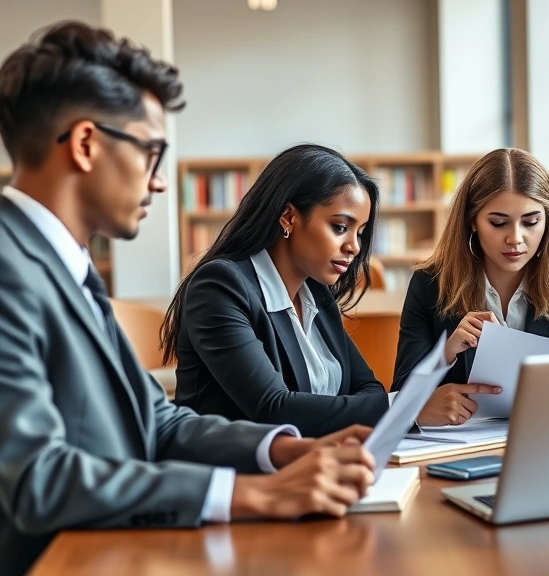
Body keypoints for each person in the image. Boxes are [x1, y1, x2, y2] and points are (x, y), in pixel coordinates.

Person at [0, 22, 376, 575]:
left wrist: (278, 450)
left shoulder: (64, 264)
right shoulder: (10, 268)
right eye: (151, 153)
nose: (157, 182)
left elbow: (158, 421)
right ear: (85, 144)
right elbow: (38, 478)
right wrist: (251, 495)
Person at [162, 144, 389, 437]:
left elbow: (368, 387)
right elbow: (274, 409)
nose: (355, 247)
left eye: (360, 232)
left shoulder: (316, 292)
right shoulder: (219, 287)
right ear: (289, 217)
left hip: (316, 461)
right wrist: (400, 407)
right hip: (233, 474)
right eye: (340, 227)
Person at [391, 148, 549, 425]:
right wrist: (446, 353)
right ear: (472, 221)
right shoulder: (430, 284)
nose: (516, 238)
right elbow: (399, 393)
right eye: (498, 223)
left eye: (531, 222)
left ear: (548, 221)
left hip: (540, 435)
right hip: (457, 443)